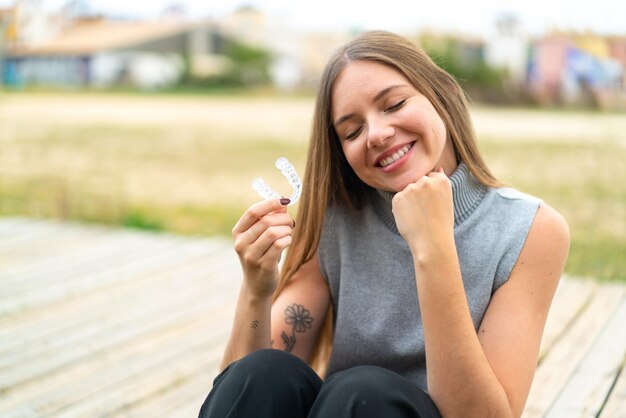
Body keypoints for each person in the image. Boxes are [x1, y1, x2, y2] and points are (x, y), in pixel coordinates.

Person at [198, 30, 569, 418]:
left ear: (440, 94)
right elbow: (248, 391)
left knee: (365, 393)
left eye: (393, 104)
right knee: (265, 371)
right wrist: (257, 290)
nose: (376, 134)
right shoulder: (335, 218)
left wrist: (433, 247)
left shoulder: (530, 230)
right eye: (352, 131)